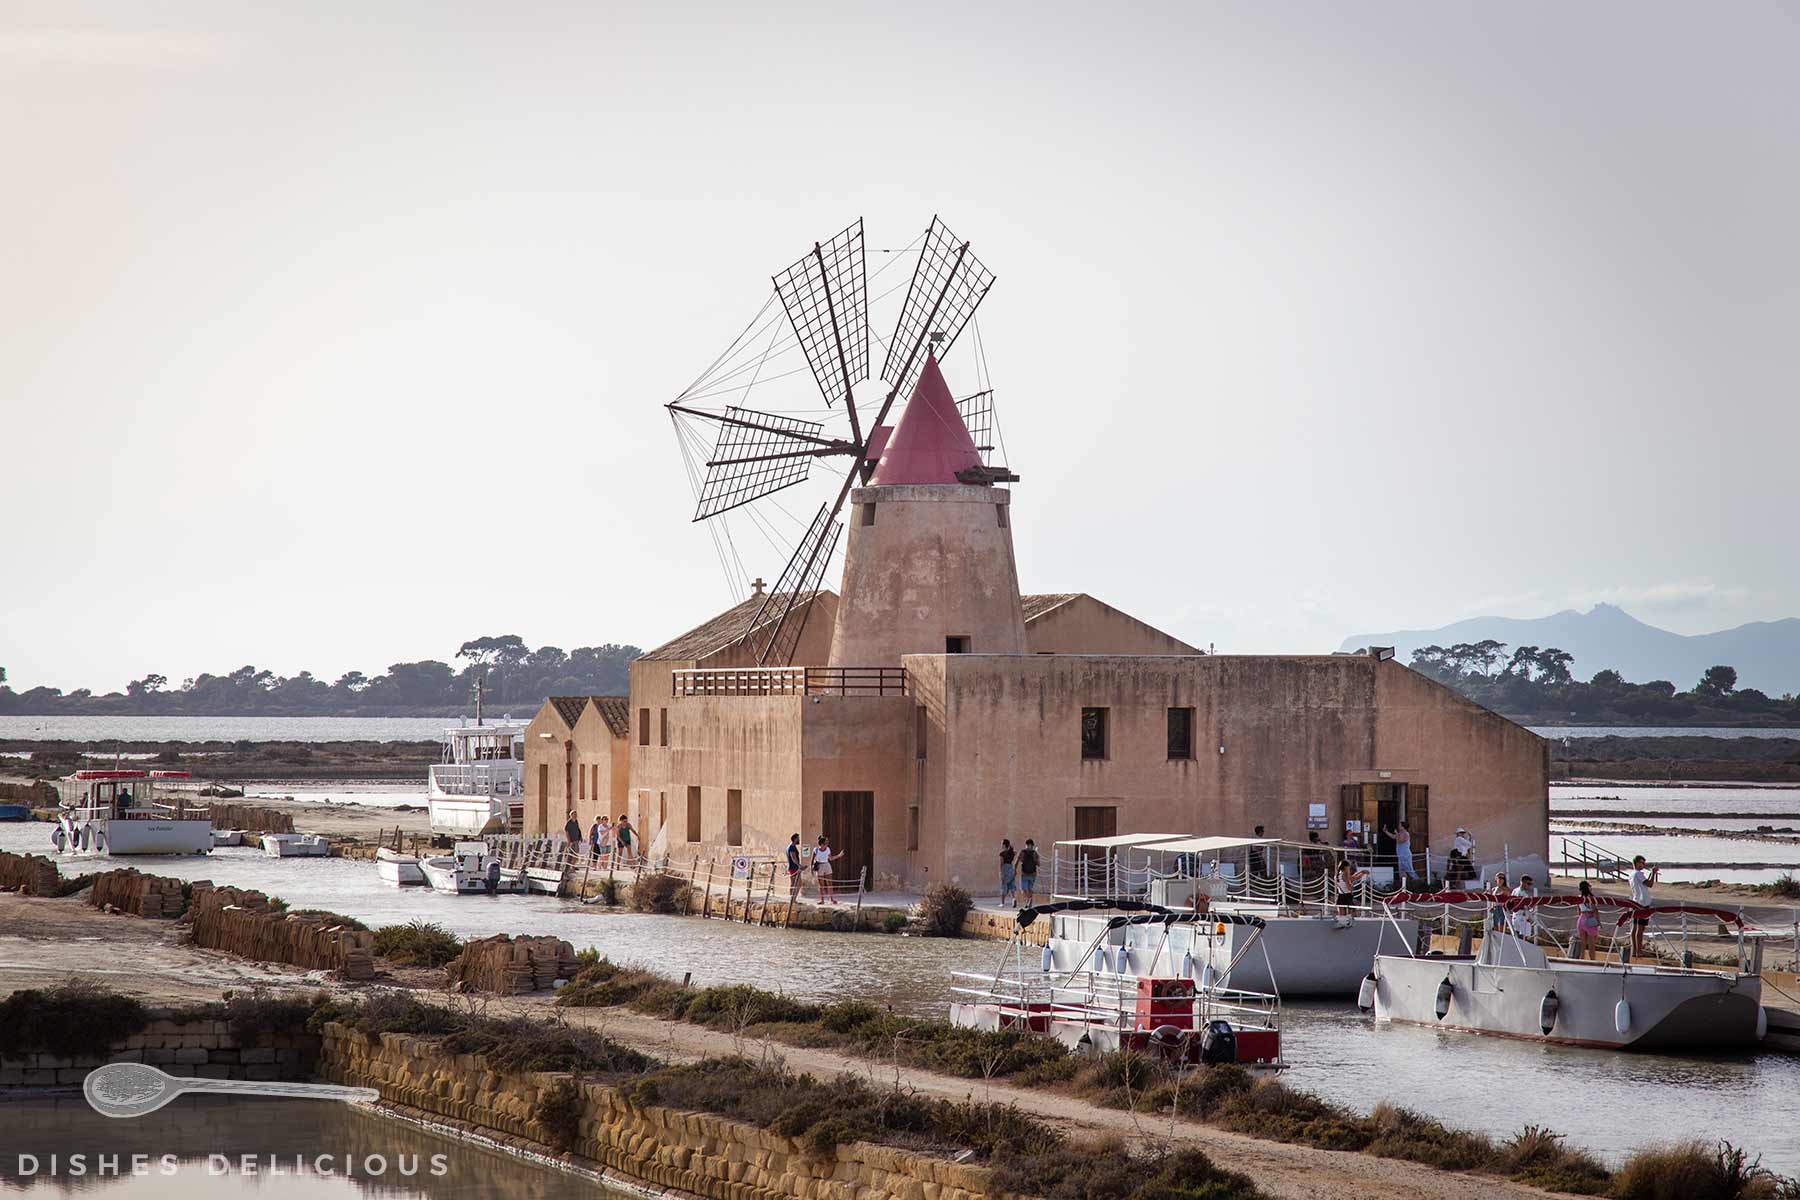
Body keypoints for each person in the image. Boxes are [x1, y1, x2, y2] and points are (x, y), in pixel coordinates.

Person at [1629, 855, 1659, 956]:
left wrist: (1651, 873)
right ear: (1637, 863)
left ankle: (1634, 950)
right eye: (1642, 863)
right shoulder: (1638, 873)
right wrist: (1653, 873)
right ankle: (1639, 951)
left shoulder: (1632, 874)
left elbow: (1645, 883)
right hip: (1642, 903)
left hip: (1635, 901)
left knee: (1635, 927)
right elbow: (1650, 884)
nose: (1643, 865)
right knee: (1640, 928)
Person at [1335, 856, 1369, 920]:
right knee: (1352, 916)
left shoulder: (1338, 875)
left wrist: (1361, 872)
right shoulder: (1345, 874)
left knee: (1342, 918)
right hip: (1347, 896)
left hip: (1340, 896)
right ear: (1345, 867)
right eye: (1348, 867)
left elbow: (1353, 878)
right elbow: (1349, 887)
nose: (1349, 868)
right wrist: (1351, 886)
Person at [1575, 880, 1602, 960]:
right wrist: (1598, 922)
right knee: (1591, 945)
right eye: (1590, 885)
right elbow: (1594, 910)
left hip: (1581, 919)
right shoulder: (1590, 898)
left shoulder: (1579, 897)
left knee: (1583, 944)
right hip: (1590, 919)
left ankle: (1581, 959)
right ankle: (1592, 961)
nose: (1591, 887)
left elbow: (1578, 911)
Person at [812, 835, 841, 904]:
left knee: (830, 883)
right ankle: (822, 900)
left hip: (827, 865)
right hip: (820, 866)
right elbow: (812, 860)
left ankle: (831, 899)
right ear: (822, 844)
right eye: (826, 843)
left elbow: (830, 858)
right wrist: (812, 868)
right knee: (821, 885)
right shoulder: (816, 850)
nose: (827, 844)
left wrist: (839, 856)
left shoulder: (828, 849)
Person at [1511, 874, 1539, 938]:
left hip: (1515, 916)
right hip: (1522, 917)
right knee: (1523, 938)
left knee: (1516, 937)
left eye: (1531, 884)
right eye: (1528, 883)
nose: (1529, 886)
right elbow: (1526, 906)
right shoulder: (1523, 894)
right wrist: (1532, 907)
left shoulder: (1514, 890)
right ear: (1522, 882)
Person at [1017, 839, 1040, 907]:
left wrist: (1014, 869)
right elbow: (1038, 864)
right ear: (1032, 845)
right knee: (1029, 889)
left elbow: (1017, 861)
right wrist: (1036, 859)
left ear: (1026, 845)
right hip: (1033, 874)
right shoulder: (1035, 853)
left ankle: (1028, 901)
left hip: (1024, 874)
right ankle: (1030, 901)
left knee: (1023, 889)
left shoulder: (1022, 852)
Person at [785, 834, 804, 903]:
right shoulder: (792, 847)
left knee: (793, 884)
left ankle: (792, 899)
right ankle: (793, 899)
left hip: (791, 867)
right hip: (794, 868)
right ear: (795, 839)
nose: (799, 840)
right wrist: (799, 865)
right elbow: (793, 858)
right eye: (798, 838)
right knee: (798, 883)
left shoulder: (788, 847)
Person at [999, 838, 1017, 907]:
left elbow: (1001, 863)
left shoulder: (1002, 854)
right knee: (1011, 885)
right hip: (1011, 868)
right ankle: (1013, 898)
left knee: (1003, 886)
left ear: (1004, 845)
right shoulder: (1012, 853)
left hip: (1005, 869)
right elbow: (1015, 852)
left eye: (1001, 843)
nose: (1001, 845)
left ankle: (1002, 903)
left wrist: (1001, 872)